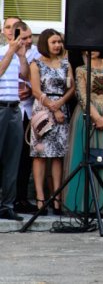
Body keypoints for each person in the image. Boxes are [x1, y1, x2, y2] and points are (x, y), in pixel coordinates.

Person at [63, 50, 103, 215]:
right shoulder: (81, 70)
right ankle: (82, 204)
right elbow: (82, 96)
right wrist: (97, 117)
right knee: (84, 155)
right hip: (87, 116)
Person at [29, 29, 74, 216]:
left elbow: (71, 89)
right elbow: (36, 90)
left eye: (59, 42)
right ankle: (40, 198)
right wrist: (53, 108)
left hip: (61, 109)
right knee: (40, 155)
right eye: (54, 42)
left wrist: (61, 104)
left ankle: (57, 198)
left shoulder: (65, 63)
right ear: (45, 43)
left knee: (58, 155)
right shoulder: (36, 63)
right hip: (43, 111)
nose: (58, 45)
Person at [0, 21, 29, 221]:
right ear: (3, 31)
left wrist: (21, 56)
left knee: (12, 160)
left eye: (15, 28)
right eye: (9, 27)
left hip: (15, 108)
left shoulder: (19, 53)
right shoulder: (2, 50)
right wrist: (11, 52)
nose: (12, 31)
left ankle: (7, 206)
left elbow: (25, 76)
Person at [12, 21, 40, 214]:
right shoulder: (6, 51)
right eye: (25, 38)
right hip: (10, 109)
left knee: (24, 158)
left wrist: (29, 88)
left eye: (30, 37)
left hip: (29, 113)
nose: (29, 41)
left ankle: (21, 198)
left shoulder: (38, 53)